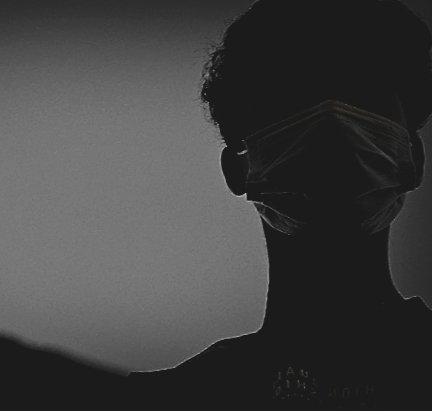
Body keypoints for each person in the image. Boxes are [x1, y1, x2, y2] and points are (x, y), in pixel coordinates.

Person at [128, 0, 432, 409]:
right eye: (295, 97)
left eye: (362, 96)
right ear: (239, 170)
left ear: (413, 159)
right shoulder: (173, 399)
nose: (332, 122)